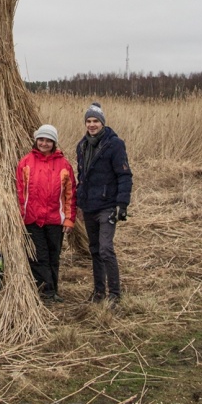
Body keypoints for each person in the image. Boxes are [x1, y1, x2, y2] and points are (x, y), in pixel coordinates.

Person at [76, 102, 133, 307]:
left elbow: (124, 175)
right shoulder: (82, 146)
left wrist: (122, 203)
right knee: (95, 250)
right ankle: (99, 291)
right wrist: (79, 204)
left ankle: (115, 295)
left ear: (102, 123)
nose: (92, 125)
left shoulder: (114, 144)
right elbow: (81, 177)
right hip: (89, 206)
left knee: (106, 248)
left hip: (107, 205)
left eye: (96, 121)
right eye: (89, 121)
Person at [16, 124, 76, 303]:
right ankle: (45, 293)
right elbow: (20, 192)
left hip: (55, 220)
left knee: (53, 256)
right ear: (36, 141)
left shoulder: (64, 165)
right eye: (41, 139)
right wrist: (20, 216)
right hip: (32, 219)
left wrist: (69, 220)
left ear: (54, 142)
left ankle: (53, 290)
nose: (44, 143)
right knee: (38, 257)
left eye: (48, 140)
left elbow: (70, 194)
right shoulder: (26, 162)